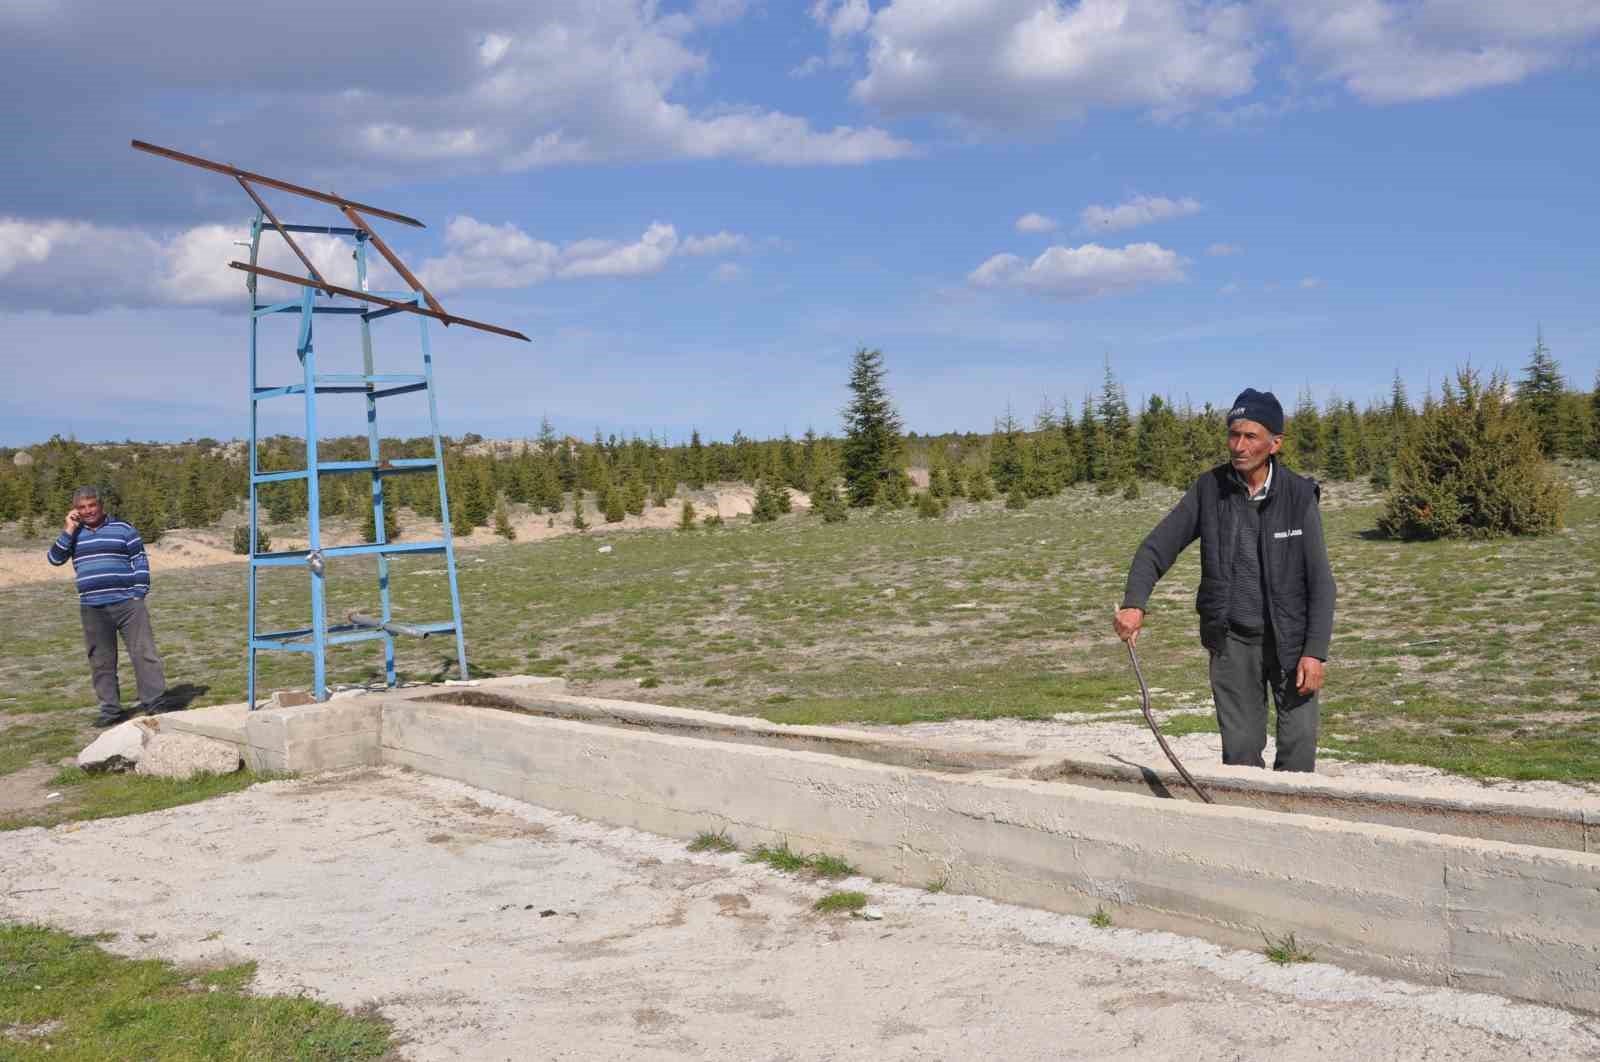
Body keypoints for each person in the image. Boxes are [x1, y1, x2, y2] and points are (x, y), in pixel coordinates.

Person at [1113, 389, 1335, 772]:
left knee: (1298, 756)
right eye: (1234, 434)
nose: (1239, 445)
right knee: (1240, 757)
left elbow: (1321, 583)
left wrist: (1314, 652)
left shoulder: (1298, 495)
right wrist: (1135, 603)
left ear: (1274, 443)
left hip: (1292, 643)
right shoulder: (1209, 489)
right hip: (1231, 642)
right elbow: (1155, 548)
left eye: (1251, 436)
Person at [46, 486, 168, 727]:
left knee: (144, 654)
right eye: (82, 507)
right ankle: (110, 710)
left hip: (128, 604)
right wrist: (68, 528)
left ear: (101, 505)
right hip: (92, 607)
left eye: (92, 505)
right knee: (100, 660)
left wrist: (138, 594)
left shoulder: (123, 529)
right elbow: (54, 559)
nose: (88, 511)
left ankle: (154, 703)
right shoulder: (73, 534)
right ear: (75, 511)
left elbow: (140, 560)